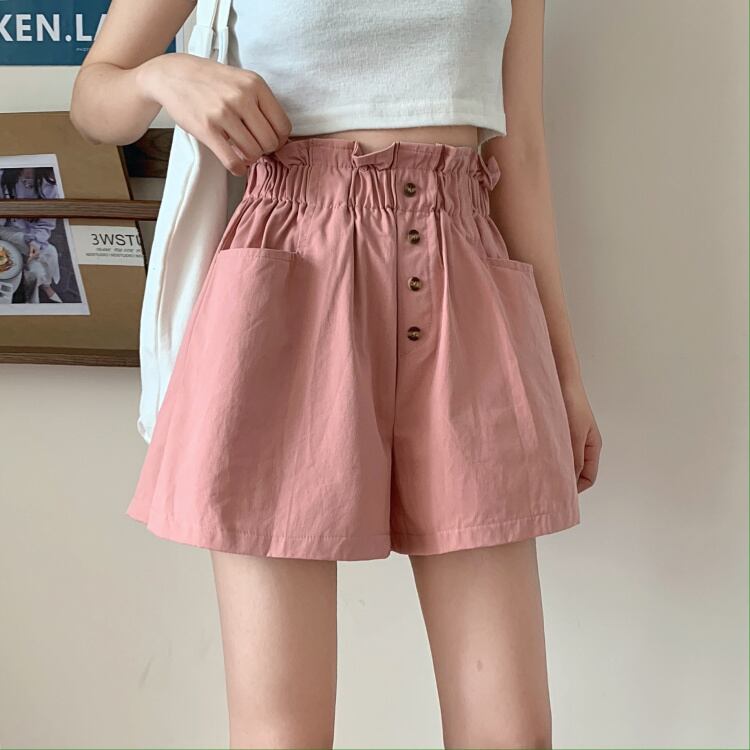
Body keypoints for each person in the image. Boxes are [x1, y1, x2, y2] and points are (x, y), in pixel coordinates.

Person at [70, 1, 603, 747]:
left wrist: (564, 371)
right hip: (288, 279)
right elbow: (94, 98)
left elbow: (522, 155)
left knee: (510, 733)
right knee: (282, 734)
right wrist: (164, 75)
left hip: (464, 277)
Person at [0, 167, 62, 303]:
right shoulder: (4, 175)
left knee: (35, 272)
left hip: (30, 236)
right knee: (49, 251)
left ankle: (37, 295)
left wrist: (36, 241)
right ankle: (45, 287)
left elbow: (46, 224)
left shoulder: (50, 186)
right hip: (5, 232)